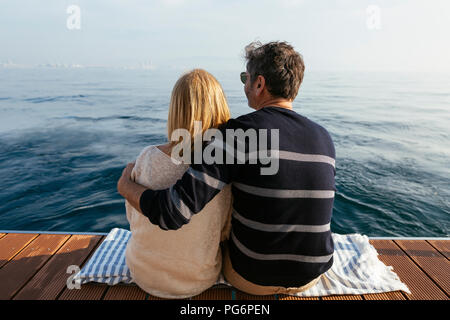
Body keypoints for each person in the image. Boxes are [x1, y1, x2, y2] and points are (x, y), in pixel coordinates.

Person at [118, 41, 336, 295]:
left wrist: (124, 185)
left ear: (259, 84)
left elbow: (173, 213)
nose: (244, 85)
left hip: (253, 279)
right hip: (311, 276)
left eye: (246, 77)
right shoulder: (324, 137)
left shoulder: (238, 134)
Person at [124, 69, 233, 299]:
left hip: (142, 273)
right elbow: (224, 232)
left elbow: (133, 218)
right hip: (199, 279)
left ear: (175, 110)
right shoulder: (223, 170)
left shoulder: (147, 157)